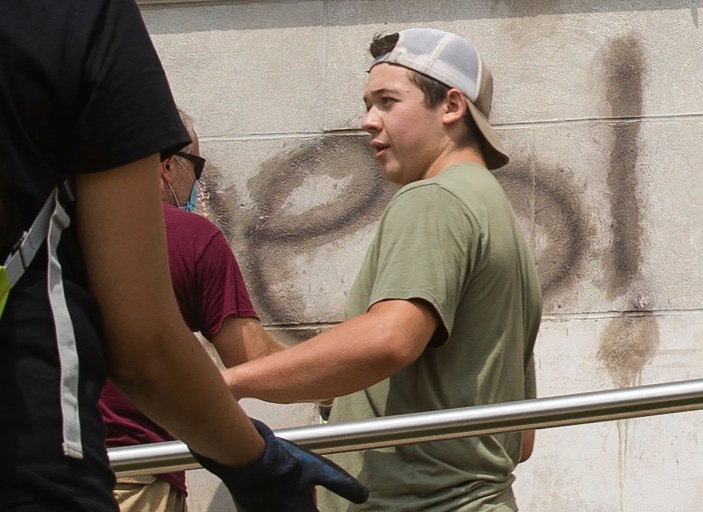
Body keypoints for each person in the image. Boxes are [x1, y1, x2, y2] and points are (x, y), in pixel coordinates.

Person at [0, 1, 366, 511]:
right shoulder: (73, 18)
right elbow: (147, 353)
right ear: (162, 163)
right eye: (194, 165)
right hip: (29, 461)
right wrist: (261, 463)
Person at [221, 28, 542, 511]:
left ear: (452, 106)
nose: (368, 121)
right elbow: (521, 440)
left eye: (387, 102)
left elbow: (390, 338)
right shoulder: (494, 212)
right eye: (368, 104)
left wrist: (232, 383)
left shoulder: (435, 198)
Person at [99, 112, 286, 512]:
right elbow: (253, 358)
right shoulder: (190, 236)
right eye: (195, 166)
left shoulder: (47, 229)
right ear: (165, 164)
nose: (198, 185)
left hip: (25, 469)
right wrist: (343, 375)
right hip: (134, 477)